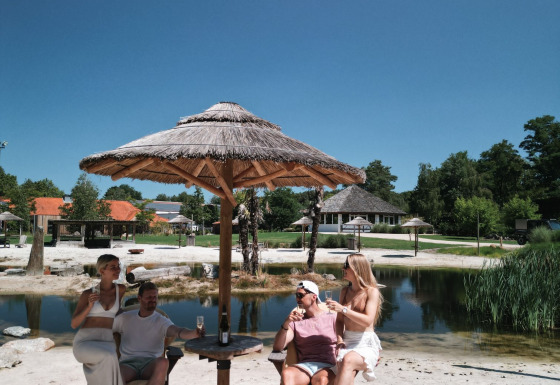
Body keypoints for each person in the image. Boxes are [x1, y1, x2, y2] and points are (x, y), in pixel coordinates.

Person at [112, 282, 204, 385]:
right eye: (149, 297)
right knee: (116, 373)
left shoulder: (161, 321)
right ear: (139, 298)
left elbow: (178, 331)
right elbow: (104, 329)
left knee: (163, 362)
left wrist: (194, 333)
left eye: (155, 297)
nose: (153, 300)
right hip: (128, 364)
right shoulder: (125, 318)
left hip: (150, 364)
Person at [326, 253, 383, 384]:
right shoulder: (345, 291)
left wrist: (343, 309)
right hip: (347, 341)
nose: (343, 268)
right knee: (346, 373)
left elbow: (368, 320)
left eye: (346, 266)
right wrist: (339, 340)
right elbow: (339, 321)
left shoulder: (371, 291)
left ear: (357, 268)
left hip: (365, 343)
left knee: (347, 361)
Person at [71, 254, 126, 385]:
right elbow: (74, 324)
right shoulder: (88, 294)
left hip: (107, 342)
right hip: (85, 343)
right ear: (102, 271)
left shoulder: (121, 290)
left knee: (109, 358)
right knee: (109, 356)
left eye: (118, 266)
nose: (117, 270)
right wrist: (89, 306)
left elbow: (118, 314)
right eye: (113, 267)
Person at [273, 280, 337, 385]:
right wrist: (286, 323)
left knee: (321, 380)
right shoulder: (296, 321)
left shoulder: (332, 318)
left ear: (314, 297)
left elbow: (347, 340)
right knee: (286, 374)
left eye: (300, 295)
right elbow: (278, 347)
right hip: (305, 366)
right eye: (296, 295)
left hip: (329, 365)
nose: (297, 298)